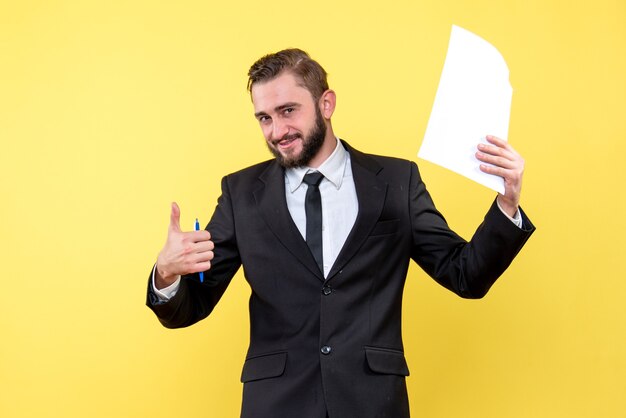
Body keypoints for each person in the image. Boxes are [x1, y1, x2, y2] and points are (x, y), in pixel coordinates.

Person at [146, 48, 535, 418]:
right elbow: (191, 307)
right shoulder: (241, 194)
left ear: (326, 104)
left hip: (372, 403)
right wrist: (165, 273)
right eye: (264, 117)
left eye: (287, 111)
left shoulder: (397, 181)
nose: (277, 130)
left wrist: (508, 205)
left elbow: (465, 275)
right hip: (277, 405)